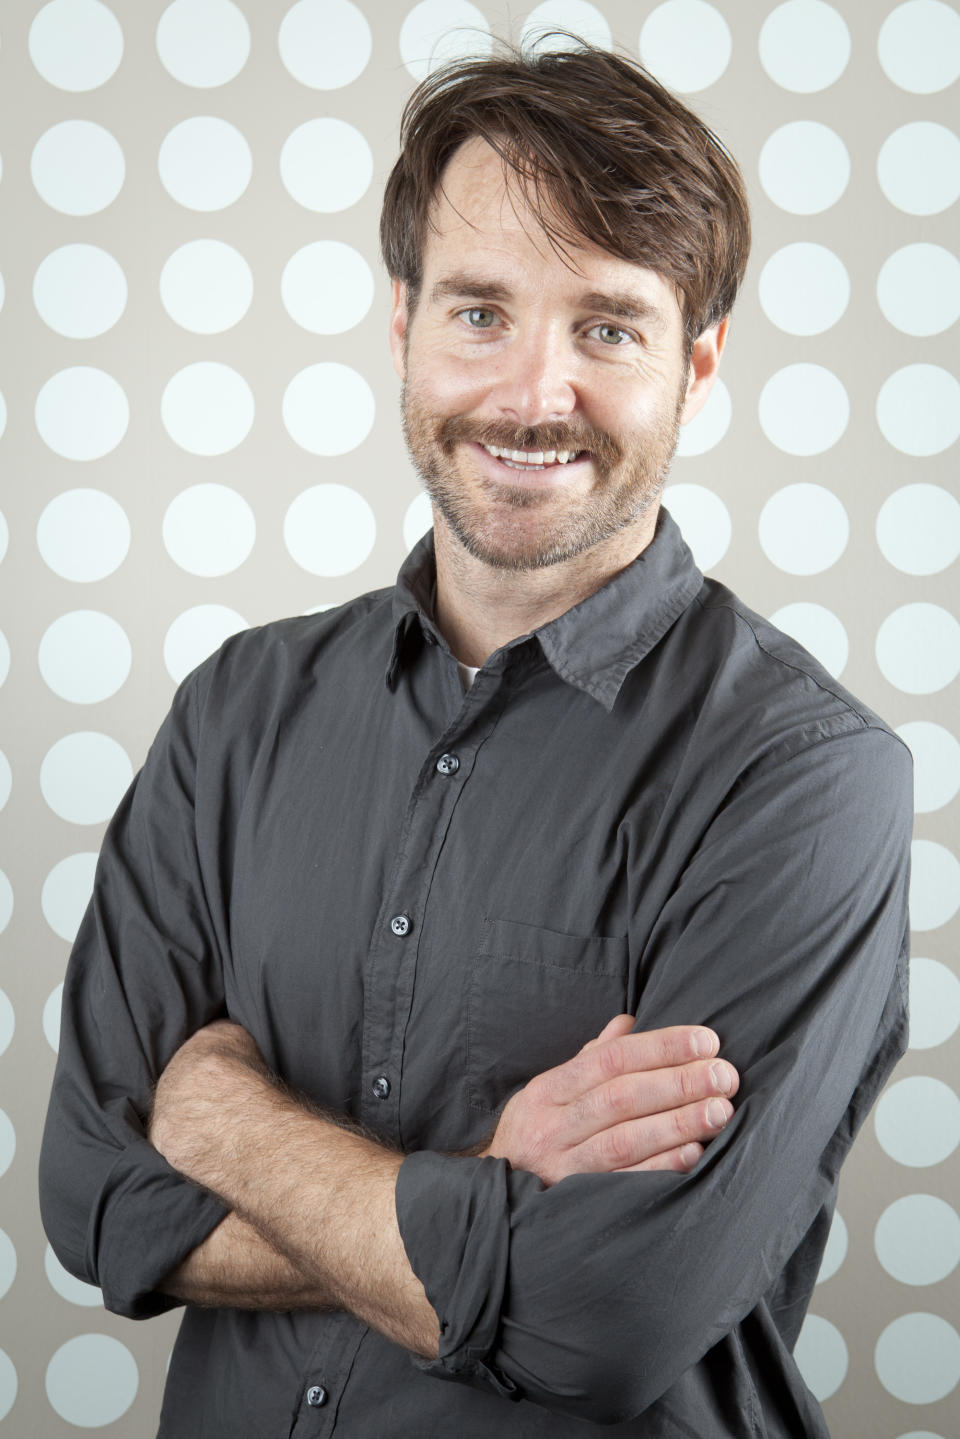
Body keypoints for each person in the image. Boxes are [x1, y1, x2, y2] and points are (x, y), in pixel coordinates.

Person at [40, 41, 912, 1438]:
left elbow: (605, 1317)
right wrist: (483, 1181)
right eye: (482, 312)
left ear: (700, 363)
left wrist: (222, 1123)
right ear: (404, 324)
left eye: (609, 327)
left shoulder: (806, 778)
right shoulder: (236, 712)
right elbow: (93, 1202)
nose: (530, 394)